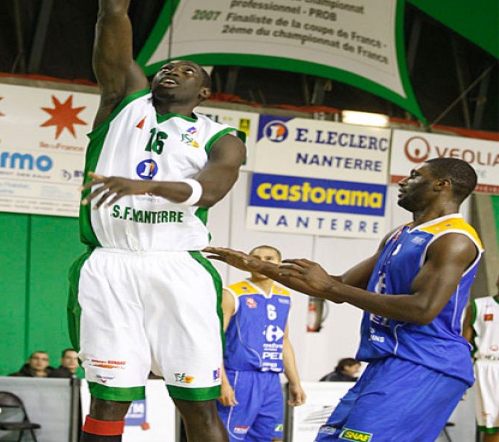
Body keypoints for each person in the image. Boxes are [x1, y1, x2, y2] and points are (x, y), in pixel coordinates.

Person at [68, 0, 246, 442]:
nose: (172, 70)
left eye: (188, 70)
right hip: (110, 266)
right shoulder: (121, 103)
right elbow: (113, 14)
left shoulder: (222, 137)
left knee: (197, 404)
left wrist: (146, 188)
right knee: (106, 399)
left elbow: (211, 190)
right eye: (168, 66)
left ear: (205, 92)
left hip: (177, 269)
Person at [206, 157, 484, 442]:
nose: (403, 181)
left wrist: (331, 287)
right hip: (386, 362)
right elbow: (336, 286)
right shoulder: (400, 234)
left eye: (414, 175)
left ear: (442, 185)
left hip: (427, 364)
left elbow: (422, 308)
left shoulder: (454, 239)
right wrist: (259, 267)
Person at [217, 245, 306, 442]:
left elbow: (283, 340)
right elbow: (213, 340)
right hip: (239, 377)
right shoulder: (232, 294)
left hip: (271, 381)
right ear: (245, 261)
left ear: (279, 264)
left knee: (273, 437)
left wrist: (295, 382)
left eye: (269, 258)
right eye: (255, 257)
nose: (261, 261)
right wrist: (222, 382)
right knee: (229, 438)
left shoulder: (285, 295)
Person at [463, 273, 499, 441]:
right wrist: (461, 380)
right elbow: (464, 345)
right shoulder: (478, 306)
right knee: (492, 426)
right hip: (488, 367)